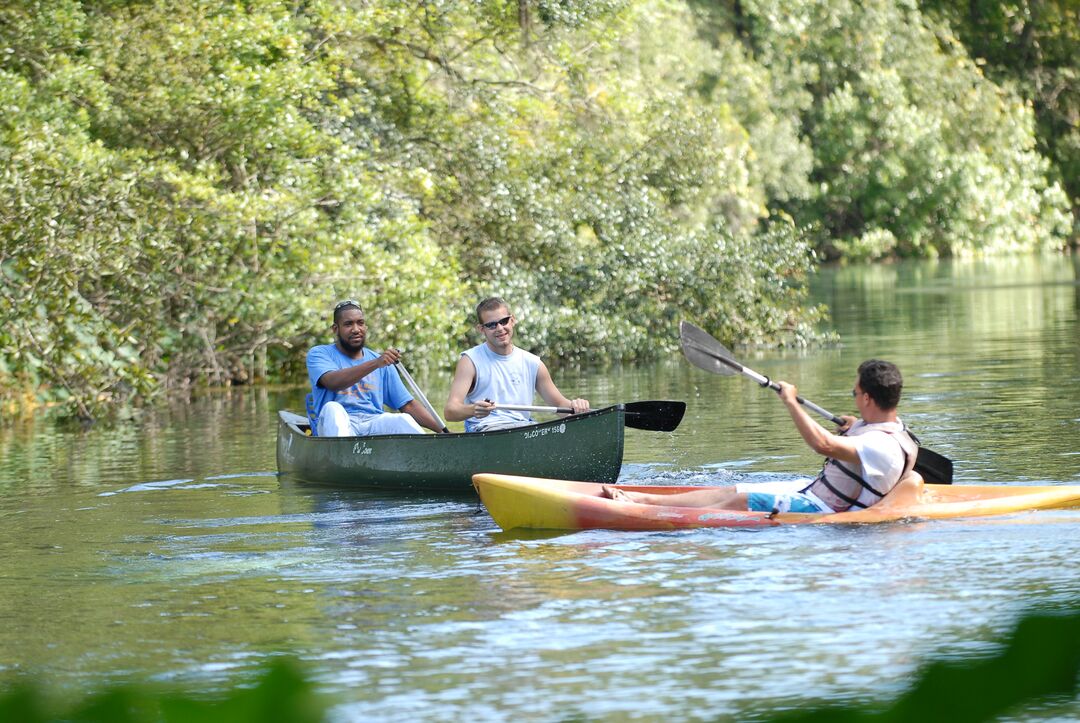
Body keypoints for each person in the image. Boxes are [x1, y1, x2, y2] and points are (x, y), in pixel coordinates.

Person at [604, 359, 920, 514]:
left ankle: (649, 514)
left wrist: (790, 402)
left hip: (825, 509)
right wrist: (857, 424)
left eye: (855, 392)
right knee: (731, 489)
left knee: (742, 501)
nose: (853, 397)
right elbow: (867, 440)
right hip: (813, 490)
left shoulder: (879, 446)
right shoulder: (893, 431)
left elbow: (822, 445)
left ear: (867, 398)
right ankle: (644, 499)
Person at [445, 297, 590, 432]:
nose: (500, 328)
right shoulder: (470, 361)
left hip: (524, 428)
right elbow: (450, 411)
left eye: (504, 321)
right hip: (486, 430)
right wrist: (473, 410)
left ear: (512, 320)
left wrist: (576, 406)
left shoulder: (533, 363)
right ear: (481, 329)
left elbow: (560, 406)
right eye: (491, 325)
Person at [306, 299, 445, 436]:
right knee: (333, 408)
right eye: (348, 324)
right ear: (336, 329)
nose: (356, 329)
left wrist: (444, 432)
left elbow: (408, 405)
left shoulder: (382, 362)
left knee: (402, 419)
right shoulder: (319, 353)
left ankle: (429, 452)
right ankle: (343, 455)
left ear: (365, 327)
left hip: (371, 422)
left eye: (360, 323)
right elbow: (332, 382)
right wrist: (376, 363)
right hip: (336, 424)